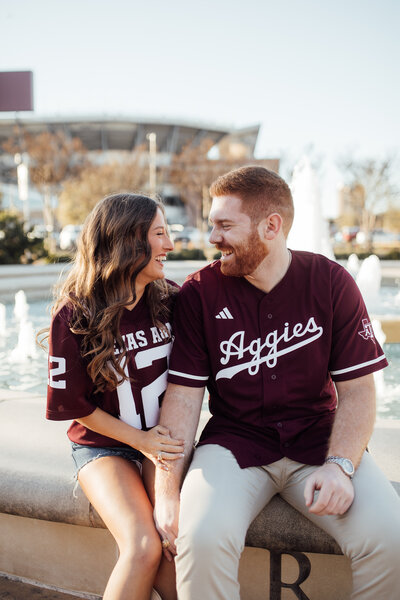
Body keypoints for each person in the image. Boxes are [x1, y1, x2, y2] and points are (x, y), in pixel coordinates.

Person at [153, 166, 400, 600]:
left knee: (391, 539)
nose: (212, 238)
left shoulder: (331, 282)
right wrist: (167, 493)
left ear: (272, 226)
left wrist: (342, 465)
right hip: (235, 444)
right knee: (202, 536)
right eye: (213, 225)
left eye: (225, 226)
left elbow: (359, 390)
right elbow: (185, 398)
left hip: (318, 440)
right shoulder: (199, 293)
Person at [44, 193, 184, 600]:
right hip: (105, 447)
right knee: (143, 547)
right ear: (127, 241)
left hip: (162, 443)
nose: (170, 246)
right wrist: (139, 441)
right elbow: (73, 406)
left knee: (176, 551)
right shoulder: (74, 314)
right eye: (160, 234)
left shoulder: (170, 299)